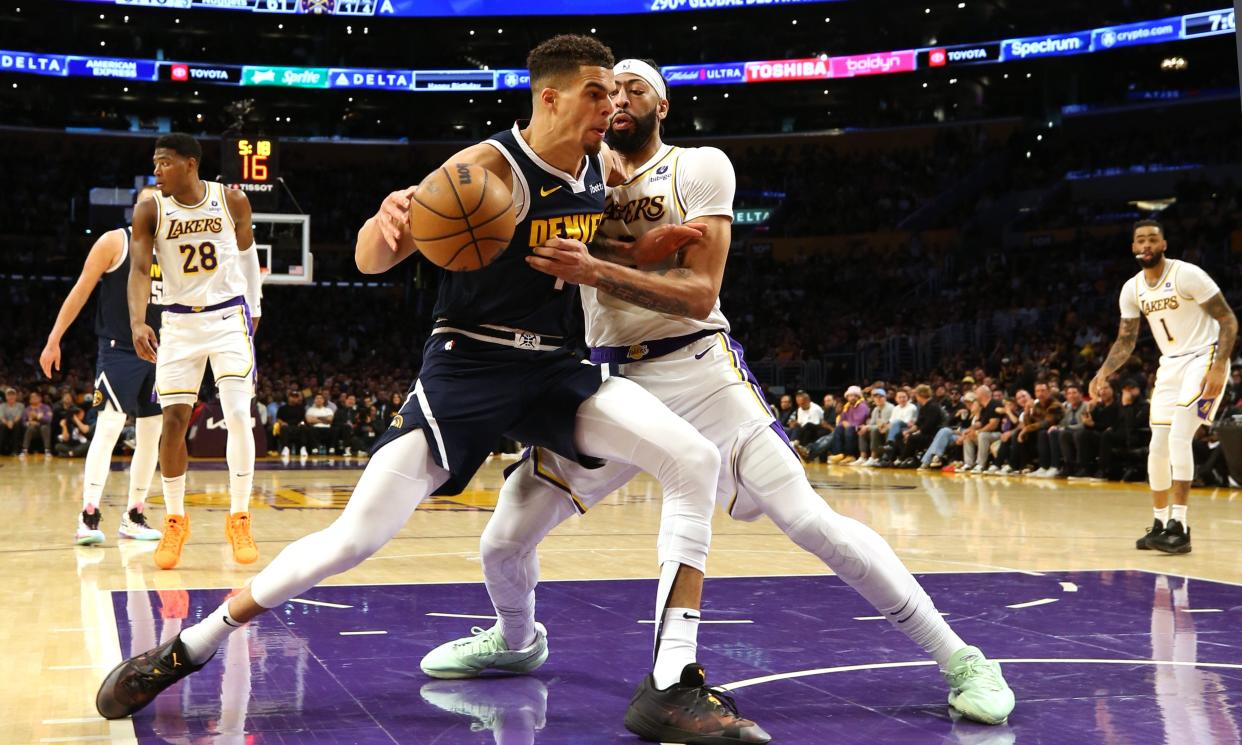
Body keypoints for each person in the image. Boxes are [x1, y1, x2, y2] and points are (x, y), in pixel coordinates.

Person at [98, 36, 753, 744]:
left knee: (693, 457)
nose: (613, 105)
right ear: (551, 97)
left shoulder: (597, 165)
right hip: (468, 367)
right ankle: (190, 644)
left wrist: (632, 251)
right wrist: (384, 228)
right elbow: (369, 256)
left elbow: (578, 236)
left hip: (556, 371)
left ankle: (670, 683)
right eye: (598, 93)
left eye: (618, 94)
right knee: (357, 535)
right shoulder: (479, 170)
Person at [418, 57, 1014, 736]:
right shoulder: (582, 178)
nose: (619, 98)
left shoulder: (698, 166)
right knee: (503, 539)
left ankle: (962, 658)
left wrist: (599, 267)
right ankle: (515, 637)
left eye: (635, 88)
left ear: (662, 105)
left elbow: (699, 293)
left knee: (811, 521)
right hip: (607, 383)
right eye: (609, 90)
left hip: (700, 371)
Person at [125, 133, 264, 570]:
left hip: (227, 318)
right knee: (173, 420)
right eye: (154, 162)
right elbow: (137, 269)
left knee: (239, 414)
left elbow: (247, 258)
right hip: (179, 321)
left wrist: (254, 310)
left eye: (164, 162)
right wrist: (136, 320)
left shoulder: (232, 201)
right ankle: (174, 520)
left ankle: (239, 516)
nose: (156, 170)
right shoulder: (151, 208)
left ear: (190, 163)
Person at [1090, 220, 1236, 554]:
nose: (1146, 245)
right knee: (1158, 445)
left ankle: (1180, 526)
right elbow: (1125, 340)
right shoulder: (1132, 289)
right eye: (1140, 240)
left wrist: (1218, 366)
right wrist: (1102, 372)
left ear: (1164, 244)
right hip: (1170, 365)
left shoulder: (1187, 274)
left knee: (1179, 435)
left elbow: (1228, 320)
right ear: (1132, 247)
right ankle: (1159, 523)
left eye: (1152, 239)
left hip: (1205, 357)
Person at [41, 186, 165, 545]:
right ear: (134, 208)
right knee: (108, 429)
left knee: (150, 438)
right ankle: (89, 515)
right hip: (120, 350)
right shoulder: (116, 241)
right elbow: (81, 289)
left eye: (159, 203)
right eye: (146, 202)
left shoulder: (173, 250)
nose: (152, 208)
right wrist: (54, 337)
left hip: (163, 353)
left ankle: (135, 514)